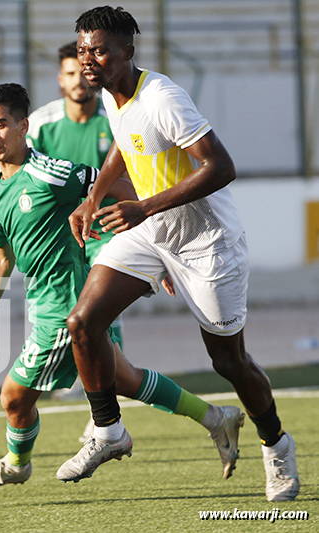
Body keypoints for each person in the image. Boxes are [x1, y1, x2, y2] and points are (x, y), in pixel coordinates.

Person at [59, 6, 299, 502]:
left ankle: (276, 444)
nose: (88, 60)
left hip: (207, 243)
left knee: (228, 361)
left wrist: (142, 206)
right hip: (151, 233)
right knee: (82, 322)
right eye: (83, 50)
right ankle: (108, 431)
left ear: (128, 50)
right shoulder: (111, 92)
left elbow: (221, 166)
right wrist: (93, 197)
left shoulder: (162, 96)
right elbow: (125, 143)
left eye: (99, 50)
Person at [0, 83, 243, 492]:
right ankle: (217, 419)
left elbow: (124, 189)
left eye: (1, 124)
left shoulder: (53, 174)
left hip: (66, 309)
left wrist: (157, 246)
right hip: (43, 303)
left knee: (13, 399)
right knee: (124, 379)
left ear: (23, 126)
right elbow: (3, 258)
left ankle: (16, 464)